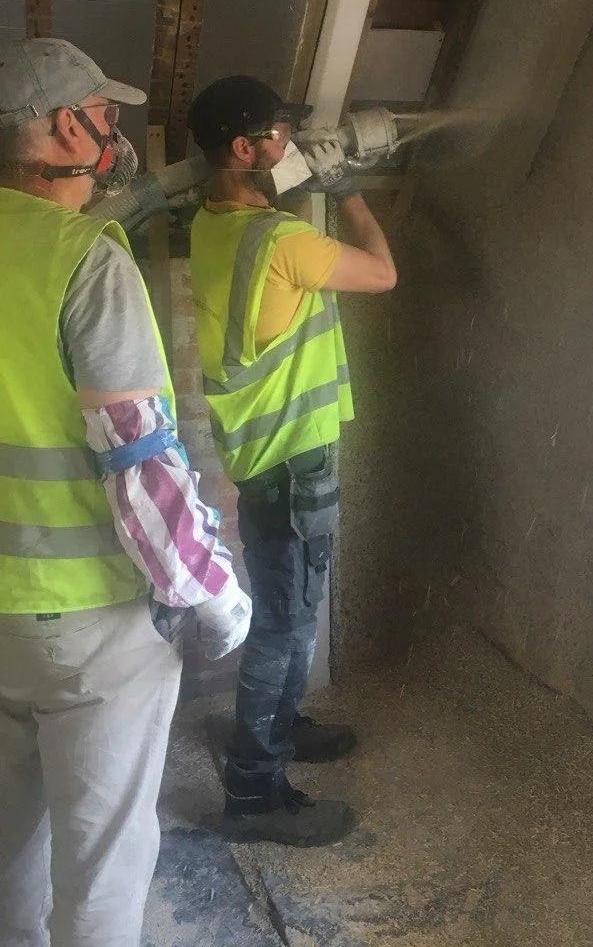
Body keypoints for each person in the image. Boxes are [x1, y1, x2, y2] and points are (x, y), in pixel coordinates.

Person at [0, 38, 252, 947]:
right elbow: (140, 467)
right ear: (67, 127)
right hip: (89, 627)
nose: (114, 132)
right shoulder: (86, 261)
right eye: (104, 116)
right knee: (101, 869)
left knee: (6, 855)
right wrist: (214, 599)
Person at [187, 75, 396, 847]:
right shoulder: (281, 243)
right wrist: (345, 189)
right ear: (245, 149)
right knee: (283, 626)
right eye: (278, 133)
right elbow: (383, 271)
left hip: (261, 457)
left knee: (291, 614)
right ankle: (255, 792)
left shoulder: (215, 224)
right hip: (291, 465)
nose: (290, 143)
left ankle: (282, 722)